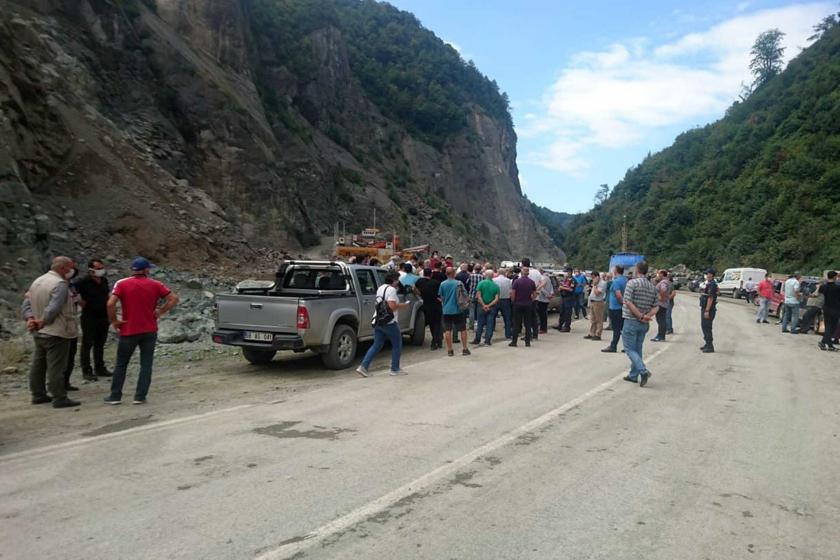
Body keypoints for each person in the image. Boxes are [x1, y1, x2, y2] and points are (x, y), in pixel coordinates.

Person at [105, 257, 179, 405]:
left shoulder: (122, 284)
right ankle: (140, 396)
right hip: (149, 329)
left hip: (128, 329)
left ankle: (115, 395)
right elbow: (173, 299)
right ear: (145, 270)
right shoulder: (155, 284)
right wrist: (160, 311)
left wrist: (114, 321)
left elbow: (110, 304)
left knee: (121, 364)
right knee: (146, 364)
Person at [21, 256, 81, 408]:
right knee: (56, 367)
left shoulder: (38, 281)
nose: (72, 271)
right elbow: (54, 307)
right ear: (63, 268)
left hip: (39, 331)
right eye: (70, 267)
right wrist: (43, 320)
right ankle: (59, 397)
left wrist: (30, 319)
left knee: (38, 364)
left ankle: (38, 394)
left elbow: (27, 303)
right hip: (57, 330)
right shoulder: (59, 284)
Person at [357, 271, 409, 377]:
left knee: (376, 345)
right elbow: (392, 306)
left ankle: (363, 366)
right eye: (397, 280)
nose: (398, 282)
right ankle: (395, 368)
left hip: (378, 320)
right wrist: (403, 305)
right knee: (397, 344)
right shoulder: (392, 290)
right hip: (390, 322)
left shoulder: (381, 288)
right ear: (394, 280)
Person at [621, 261, 658, 387]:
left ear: (637, 270)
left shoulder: (632, 283)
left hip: (632, 320)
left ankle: (643, 371)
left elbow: (628, 302)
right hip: (644, 323)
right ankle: (633, 375)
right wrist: (647, 316)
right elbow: (656, 306)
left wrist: (640, 315)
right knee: (638, 348)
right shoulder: (652, 286)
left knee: (629, 349)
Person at [75, 258, 112, 381]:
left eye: (102, 268)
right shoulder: (83, 281)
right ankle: (87, 370)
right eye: (98, 268)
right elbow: (72, 290)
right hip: (89, 316)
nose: (101, 270)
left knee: (100, 343)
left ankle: (100, 368)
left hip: (103, 316)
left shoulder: (104, 281)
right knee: (87, 343)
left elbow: (108, 295)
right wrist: (79, 301)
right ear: (91, 270)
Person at [439, 267, 471, 357]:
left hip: (446, 310)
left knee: (448, 330)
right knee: (463, 329)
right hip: (458, 309)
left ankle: (450, 350)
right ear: (454, 273)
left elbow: (441, 297)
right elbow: (464, 295)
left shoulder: (442, 284)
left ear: (446, 274)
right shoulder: (459, 283)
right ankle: (464, 348)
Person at [414, 268, 443, 350]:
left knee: (431, 324)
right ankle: (436, 341)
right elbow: (440, 294)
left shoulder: (420, 281)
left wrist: (420, 294)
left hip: (426, 304)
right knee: (437, 324)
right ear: (431, 274)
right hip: (436, 305)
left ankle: (436, 340)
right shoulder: (436, 283)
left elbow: (414, 288)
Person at [509, 266, 537, 347]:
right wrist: (531, 300)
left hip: (518, 304)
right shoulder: (532, 282)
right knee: (527, 323)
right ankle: (527, 342)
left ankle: (514, 341)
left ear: (521, 273)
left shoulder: (517, 282)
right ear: (528, 273)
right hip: (528, 304)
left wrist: (513, 301)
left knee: (516, 323)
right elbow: (535, 294)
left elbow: (513, 293)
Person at [602, 265, 627, 352]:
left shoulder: (616, 282)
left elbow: (618, 295)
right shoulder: (625, 280)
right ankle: (627, 346)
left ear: (616, 271)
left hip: (615, 308)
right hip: (622, 308)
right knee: (623, 328)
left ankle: (613, 346)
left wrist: (623, 302)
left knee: (616, 328)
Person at [473, 270, 501, 346]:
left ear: (485, 275)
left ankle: (477, 339)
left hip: (481, 306)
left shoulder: (481, 283)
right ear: (492, 276)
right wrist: (489, 305)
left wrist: (483, 305)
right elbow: (496, 299)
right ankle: (487, 340)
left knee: (480, 323)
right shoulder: (496, 286)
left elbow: (478, 295)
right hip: (492, 307)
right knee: (490, 323)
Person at [521, 258, 545, 340]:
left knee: (526, 317)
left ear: (522, 264)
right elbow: (543, 282)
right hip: (535, 297)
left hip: (526, 297)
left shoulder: (524, 272)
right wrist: (537, 289)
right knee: (534, 316)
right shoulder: (536, 272)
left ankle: (528, 334)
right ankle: (535, 335)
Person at [818, 271, 839, 351]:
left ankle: (825, 343)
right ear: (834, 277)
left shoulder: (823, 287)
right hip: (835, 309)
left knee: (828, 327)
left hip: (826, 308)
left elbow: (818, 293)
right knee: (832, 327)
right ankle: (827, 344)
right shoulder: (838, 287)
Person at [700, 268, 719, 353]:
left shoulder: (712, 284)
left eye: (707, 274)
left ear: (711, 275)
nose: (706, 275)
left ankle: (710, 346)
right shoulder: (710, 284)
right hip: (706, 308)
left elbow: (710, 298)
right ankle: (707, 344)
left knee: (707, 326)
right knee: (704, 326)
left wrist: (707, 310)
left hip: (709, 309)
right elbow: (717, 292)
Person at [585, 271, 606, 341]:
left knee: (598, 319)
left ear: (598, 277)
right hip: (592, 302)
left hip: (598, 302)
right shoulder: (595, 283)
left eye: (594, 277)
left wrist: (594, 285)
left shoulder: (602, 283)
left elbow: (597, 293)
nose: (593, 279)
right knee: (593, 319)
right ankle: (592, 333)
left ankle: (598, 334)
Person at [651, 270, 671, 342]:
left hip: (661, 304)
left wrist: (661, 298)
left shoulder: (663, 282)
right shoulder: (667, 281)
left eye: (658, 273)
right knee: (661, 319)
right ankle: (660, 335)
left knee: (661, 320)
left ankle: (661, 336)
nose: (657, 275)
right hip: (664, 304)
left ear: (662, 274)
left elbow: (663, 289)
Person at [494, 267, 513, 339]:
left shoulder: (494, 280)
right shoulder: (508, 281)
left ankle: (489, 332)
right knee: (507, 318)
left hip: (496, 299)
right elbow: (510, 291)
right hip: (506, 300)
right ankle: (508, 334)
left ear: (498, 273)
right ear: (505, 273)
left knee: (492, 317)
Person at [554, 268, 576, 332]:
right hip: (563, 297)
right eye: (566, 272)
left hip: (569, 298)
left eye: (568, 272)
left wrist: (562, 287)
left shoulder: (573, 280)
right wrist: (560, 288)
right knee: (562, 312)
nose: (567, 273)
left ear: (571, 272)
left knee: (567, 313)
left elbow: (571, 289)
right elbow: (561, 286)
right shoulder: (565, 280)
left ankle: (567, 327)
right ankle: (560, 325)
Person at [535, 267, 554, 334]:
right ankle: (544, 328)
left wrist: (547, 295)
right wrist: (551, 294)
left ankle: (542, 328)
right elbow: (551, 287)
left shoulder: (542, 278)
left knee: (541, 315)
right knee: (544, 314)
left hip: (541, 299)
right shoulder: (548, 278)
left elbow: (541, 288)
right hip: (546, 299)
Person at [467, 264, 484, 331]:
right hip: (480, 296)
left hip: (471, 294)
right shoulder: (482, 277)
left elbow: (467, 283)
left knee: (471, 311)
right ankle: (479, 325)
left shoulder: (471, 276)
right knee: (479, 311)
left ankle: (471, 326)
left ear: (475, 269)